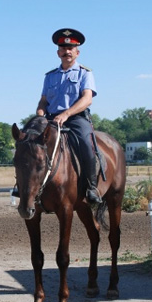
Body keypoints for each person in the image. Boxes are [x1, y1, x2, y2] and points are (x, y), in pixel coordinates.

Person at [36, 28, 102, 204]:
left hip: (76, 118)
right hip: (51, 119)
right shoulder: (49, 76)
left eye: (70, 49)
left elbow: (87, 99)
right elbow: (43, 101)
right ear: (58, 53)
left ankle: (91, 187)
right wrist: (40, 115)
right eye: (63, 49)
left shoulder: (84, 73)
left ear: (77, 52)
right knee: (29, 141)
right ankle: (25, 187)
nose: (67, 52)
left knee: (86, 144)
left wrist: (66, 114)